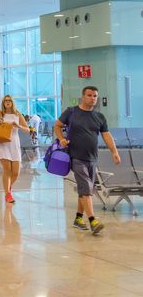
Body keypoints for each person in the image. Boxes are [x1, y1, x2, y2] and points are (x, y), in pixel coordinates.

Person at [55, 86, 120, 235]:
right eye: (89, 95)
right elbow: (57, 126)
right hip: (75, 156)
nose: (93, 98)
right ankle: (92, 220)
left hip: (92, 157)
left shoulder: (99, 117)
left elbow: (106, 135)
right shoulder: (71, 112)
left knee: (86, 189)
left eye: (95, 96)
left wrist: (114, 152)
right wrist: (61, 139)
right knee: (85, 186)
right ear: (83, 96)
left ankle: (78, 218)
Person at [0, 95, 28, 204]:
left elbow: (27, 129)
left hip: (14, 143)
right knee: (7, 170)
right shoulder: (0, 113)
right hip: (3, 144)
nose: (7, 102)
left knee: (16, 172)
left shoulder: (17, 114)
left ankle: (8, 189)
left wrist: (18, 126)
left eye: (9, 100)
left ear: (12, 102)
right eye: (6, 101)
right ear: (3, 103)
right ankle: (7, 194)